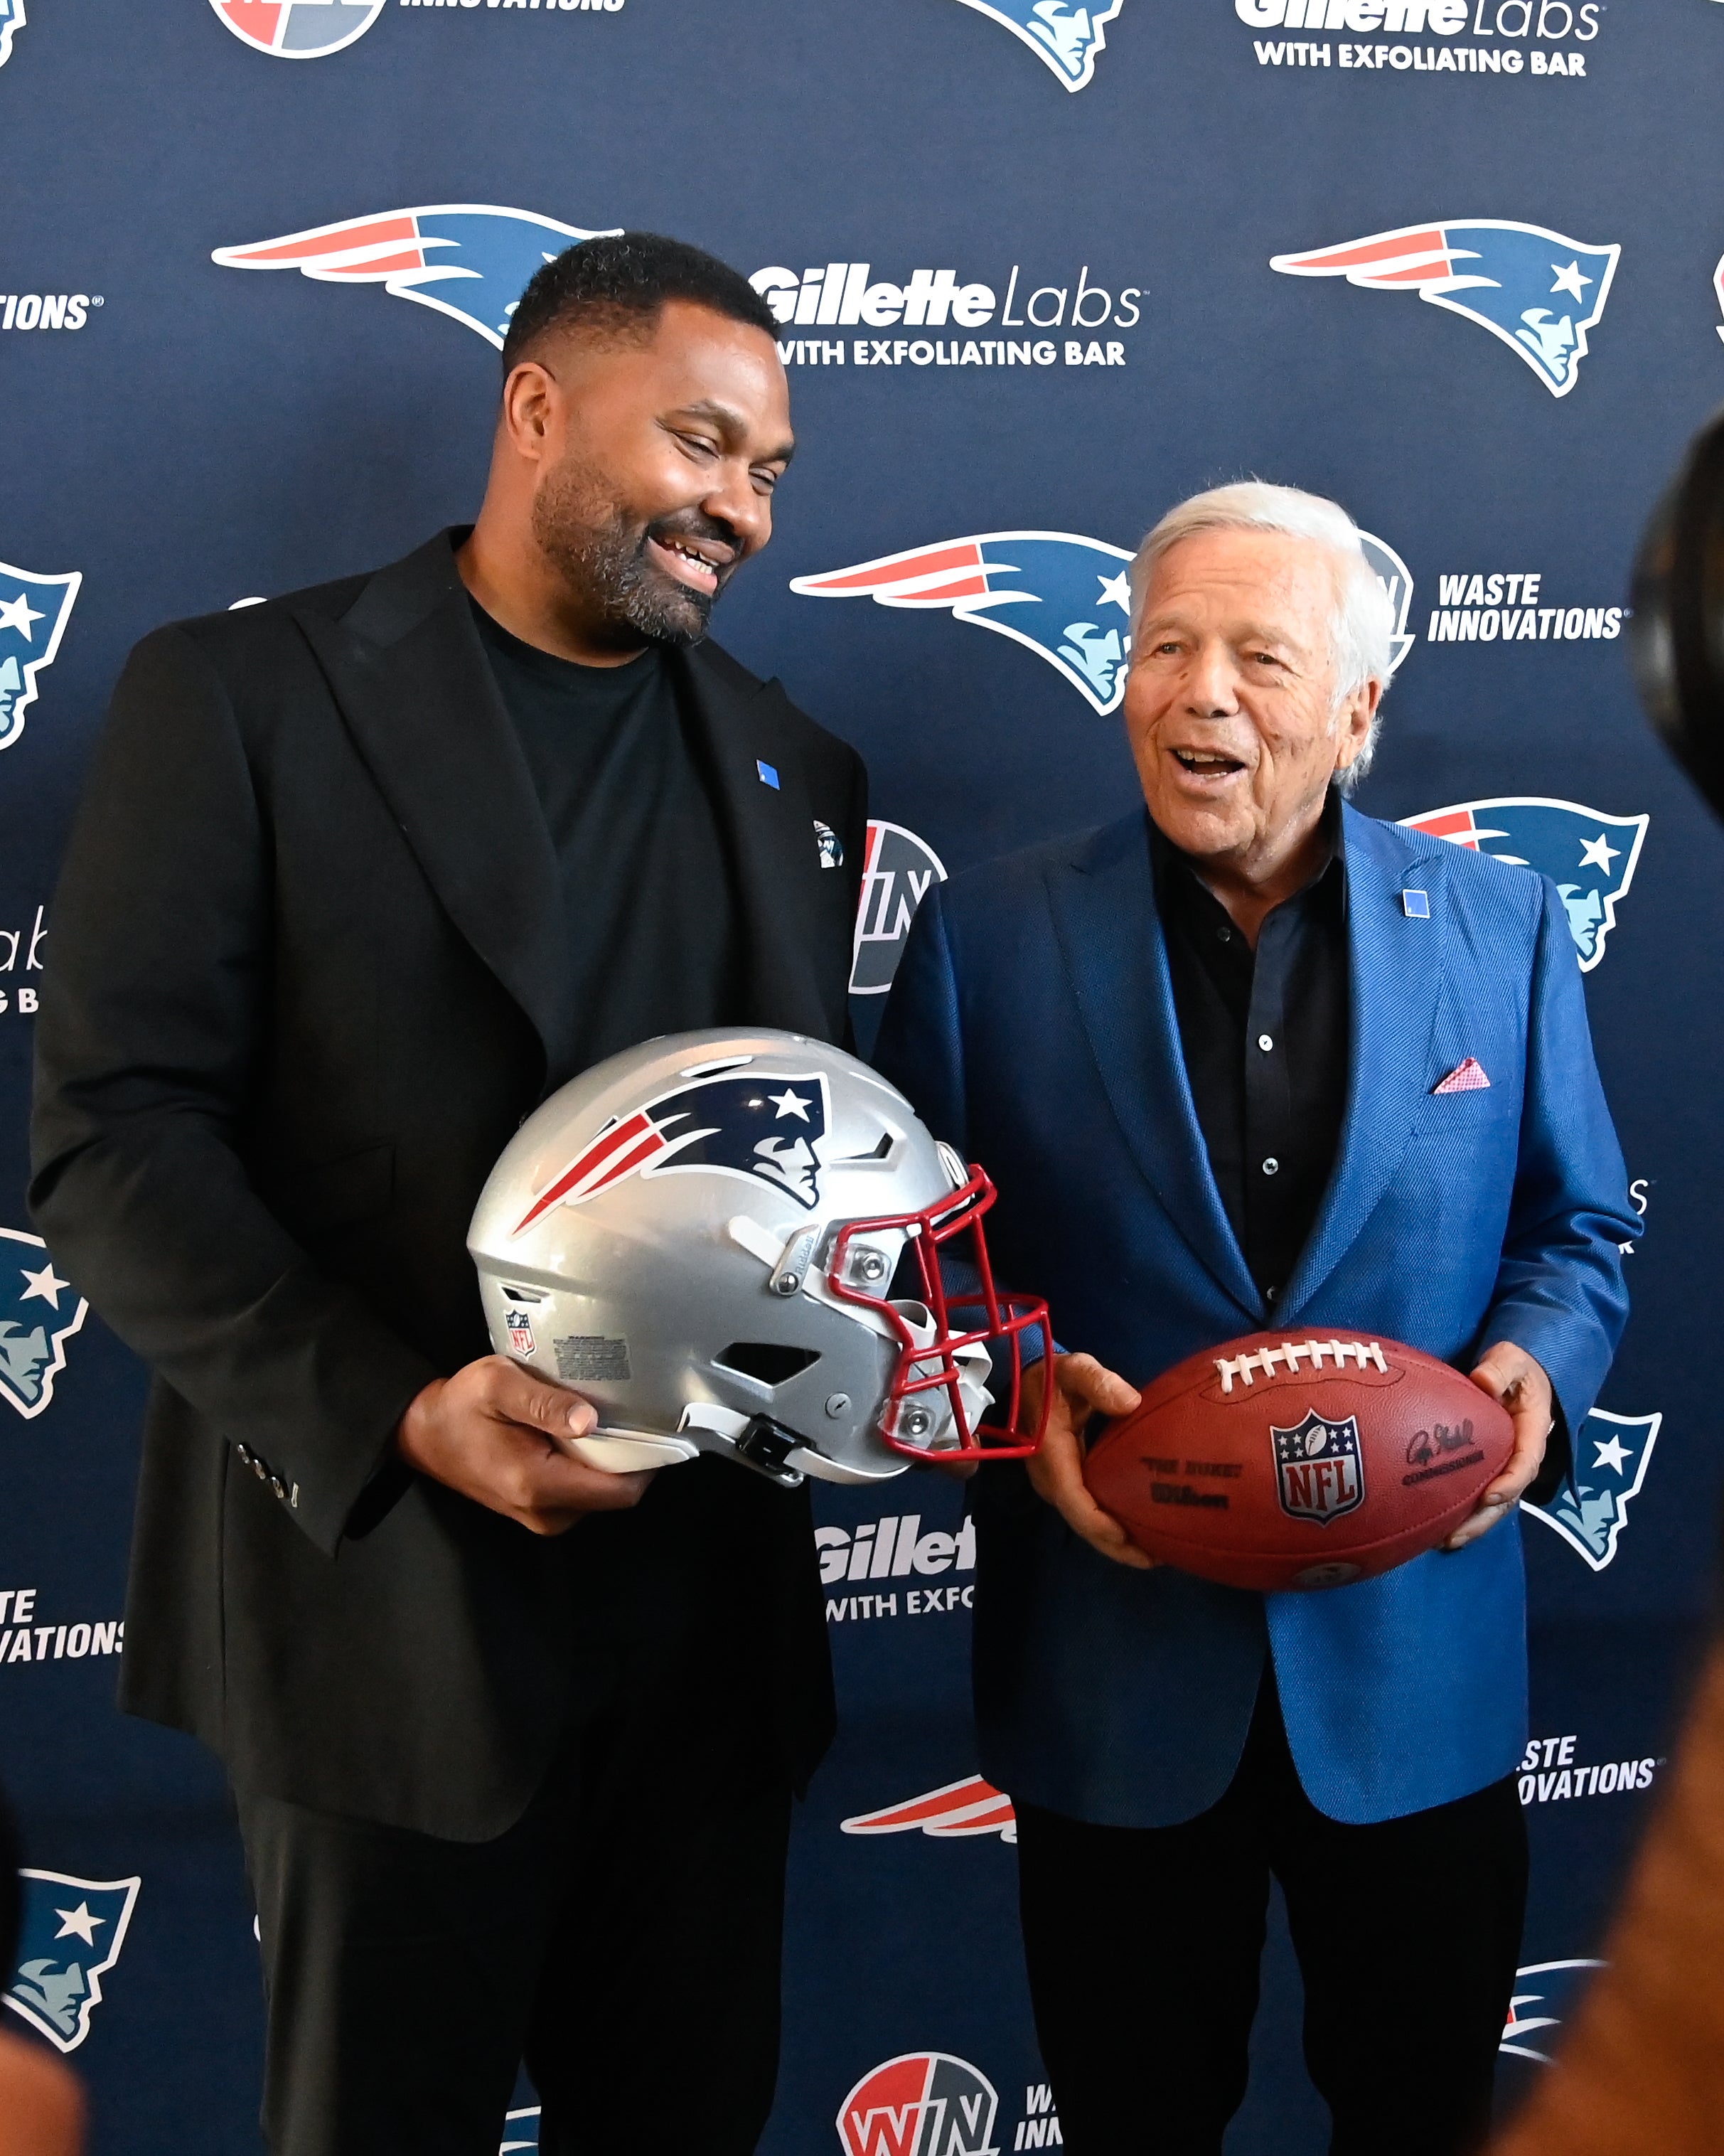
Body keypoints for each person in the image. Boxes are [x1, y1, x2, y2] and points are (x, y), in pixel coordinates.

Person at [28, 233, 866, 2156]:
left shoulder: (797, 760)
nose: (741, 507)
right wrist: (399, 1414)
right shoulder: (238, 695)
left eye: (772, 473)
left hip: (712, 1655)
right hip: (387, 1627)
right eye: (705, 444)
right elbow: (112, 1131)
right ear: (537, 408)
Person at [874, 481, 1637, 2156]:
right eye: (1164, 647)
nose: (1198, 690)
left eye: (1257, 657)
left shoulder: (1500, 929)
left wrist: (1531, 1370)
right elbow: (912, 1277)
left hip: (1415, 1678)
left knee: (1417, 2111)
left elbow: (1579, 1229)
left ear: (1356, 709)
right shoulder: (986, 937)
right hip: (1117, 1680)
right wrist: (1023, 1397)